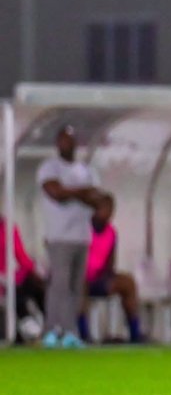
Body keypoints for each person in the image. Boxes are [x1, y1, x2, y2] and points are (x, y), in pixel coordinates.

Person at [36, 126, 102, 348]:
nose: (67, 144)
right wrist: (82, 192)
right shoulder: (49, 167)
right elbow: (56, 194)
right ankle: (54, 330)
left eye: (71, 140)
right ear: (57, 143)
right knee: (60, 285)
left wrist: (72, 192)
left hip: (81, 236)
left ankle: (69, 331)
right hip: (58, 236)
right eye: (63, 140)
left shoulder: (86, 169)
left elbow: (97, 199)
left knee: (76, 287)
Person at [80, 193, 143, 343]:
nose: (107, 213)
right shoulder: (83, 229)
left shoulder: (111, 232)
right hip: (81, 278)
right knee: (81, 286)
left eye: (110, 209)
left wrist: (108, 276)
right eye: (103, 208)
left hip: (99, 278)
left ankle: (135, 333)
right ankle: (83, 333)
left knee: (128, 282)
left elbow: (110, 260)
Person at [0, 214, 46, 333]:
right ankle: (27, 324)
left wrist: (36, 271)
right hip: (4, 282)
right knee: (15, 293)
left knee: (36, 284)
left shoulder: (8, 227)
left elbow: (21, 256)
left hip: (9, 279)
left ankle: (49, 322)